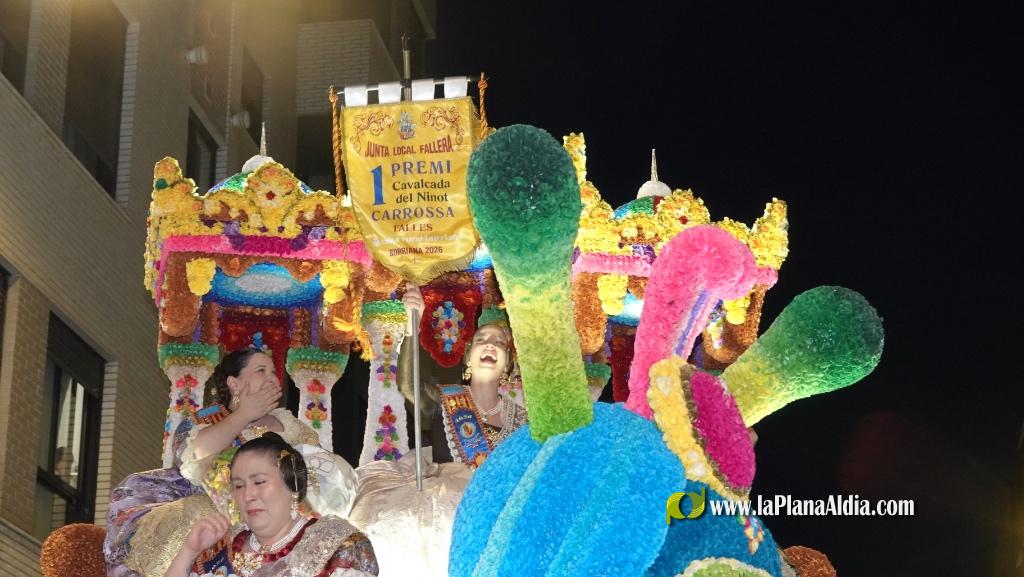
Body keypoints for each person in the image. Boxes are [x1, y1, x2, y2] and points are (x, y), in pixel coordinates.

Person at [105, 348, 357, 577]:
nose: (272, 378)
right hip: (218, 512)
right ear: (234, 383)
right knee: (197, 517)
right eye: (261, 370)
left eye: (273, 371)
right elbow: (192, 455)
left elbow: (321, 471)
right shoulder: (207, 419)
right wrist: (244, 414)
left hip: (288, 516)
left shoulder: (290, 425)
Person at [165, 433, 378, 577]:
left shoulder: (338, 546)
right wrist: (188, 552)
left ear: (292, 484)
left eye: (259, 482)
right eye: (239, 486)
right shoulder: (219, 547)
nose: (248, 495)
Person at [401, 284, 528, 468]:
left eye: (499, 342)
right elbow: (408, 385)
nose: (490, 345)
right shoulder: (443, 400)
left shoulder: (522, 419)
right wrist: (413, 325)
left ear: (507, 363)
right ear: (468, 357)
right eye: (481, 339)